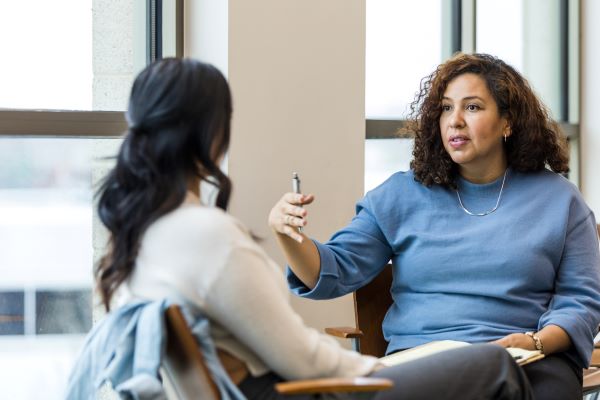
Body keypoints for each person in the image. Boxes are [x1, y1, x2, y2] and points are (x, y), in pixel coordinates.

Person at [81, 57, 534, 400]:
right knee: (496, 366)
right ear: (213, 132)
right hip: (314, 391)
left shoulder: (143, 236)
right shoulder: (208, 236)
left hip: (296, 387)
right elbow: (302, 357)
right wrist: (376, 371)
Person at [269, 53, 600, 400]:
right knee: (485, 371)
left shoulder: (561, 201)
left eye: (472, 108)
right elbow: (331, 272)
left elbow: (581, 302)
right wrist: (288, 235)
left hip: (532, 359)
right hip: (426, 365)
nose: (455, 121)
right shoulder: (399, 195)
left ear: (508, 122)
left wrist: (535, 341)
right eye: (445, 108)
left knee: (511, 376)